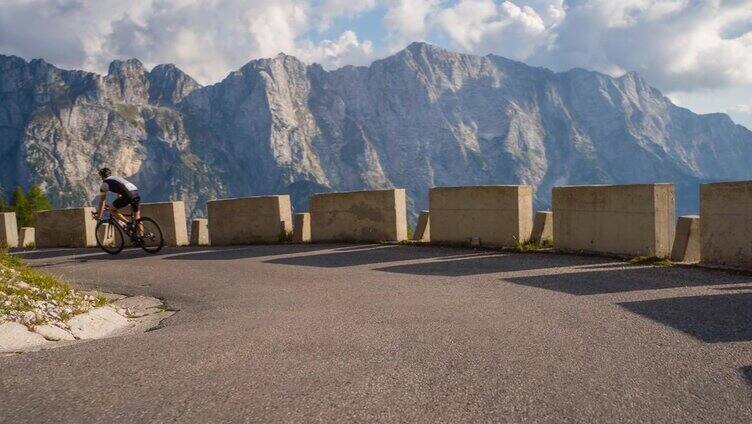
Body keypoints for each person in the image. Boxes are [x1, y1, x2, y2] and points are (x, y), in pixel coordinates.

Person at [94, 168, 141, 232]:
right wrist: (118, 203)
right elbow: (119, 191)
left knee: (111, 210)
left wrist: (99, 216)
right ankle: (141, 236)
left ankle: (128, 223)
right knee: (137, 217)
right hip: (136, 192)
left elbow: (102, 202)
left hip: (128, 195)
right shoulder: (116, 178)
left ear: (102, 176)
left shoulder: (104, 185)